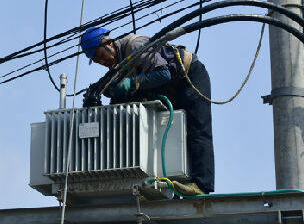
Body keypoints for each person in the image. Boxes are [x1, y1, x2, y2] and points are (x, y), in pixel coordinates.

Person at [81, 27, 214, 196]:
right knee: (165, 128)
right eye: (97, 61)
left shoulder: (135, 46)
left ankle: (201, 185)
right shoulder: (119, 64)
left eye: (101, 56)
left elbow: (164, 74)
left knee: (197, 128)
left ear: (108, 43)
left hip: (188, 76)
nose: (102, 62)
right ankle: (170, 182)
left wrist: (131, 83)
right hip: (171, 86)